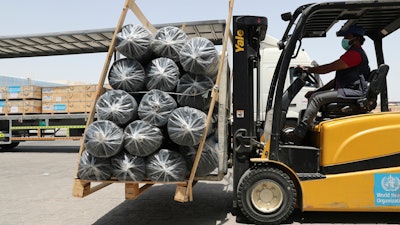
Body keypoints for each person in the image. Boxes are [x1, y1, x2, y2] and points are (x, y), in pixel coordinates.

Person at [283, 25, 370, 144]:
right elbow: (335, 81)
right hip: (349, 90)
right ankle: (305, 131)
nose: (344, 39)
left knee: (316, 99)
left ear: (356, 38)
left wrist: (309, 69)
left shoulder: (354, 54)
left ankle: (299, 134)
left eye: (347, 36)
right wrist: (316, 91)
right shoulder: (352, 54)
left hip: (355, 92)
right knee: (316, 96)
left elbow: (328, 68)